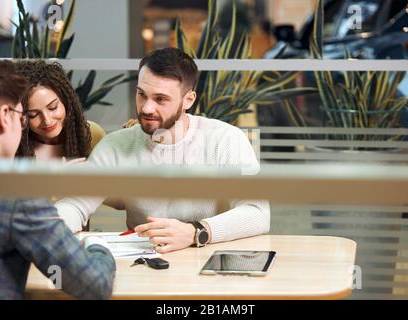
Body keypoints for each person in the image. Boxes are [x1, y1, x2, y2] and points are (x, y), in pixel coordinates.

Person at [56, 48, 270, 253]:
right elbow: (75, 204)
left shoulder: (225, 139)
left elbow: (257, 213)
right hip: (145, 265)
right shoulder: (117, 145)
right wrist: (46, 231)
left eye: (160, 99)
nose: (147, 108)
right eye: (142, 94)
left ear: (189, 100)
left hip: (210, 262)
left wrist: (195, 232)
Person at [0, 57, 116, 300]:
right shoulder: (14, 190)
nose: (45, 121)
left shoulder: (91, 134)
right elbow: (94, 285)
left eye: (53, 108)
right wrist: (99, 246)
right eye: (26, 115)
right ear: (4, 115)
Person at [14, 60, 105, 162]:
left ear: (66, 102)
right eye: (33, 115)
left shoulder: (94, 134)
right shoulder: (15, 146)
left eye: (53, 107)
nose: (47, 121)